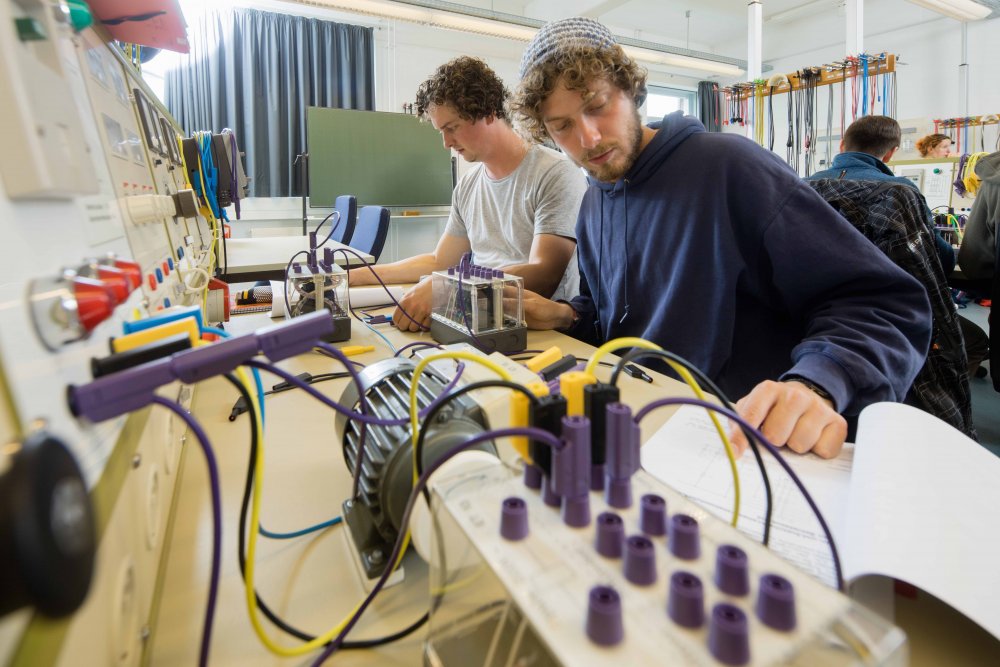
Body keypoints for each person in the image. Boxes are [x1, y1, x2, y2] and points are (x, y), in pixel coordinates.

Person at [512, 17, 932, 459]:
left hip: (741, 441)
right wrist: (561, 315)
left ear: (631, 91)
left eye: (597, 105)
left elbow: (881, 303)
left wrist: (818, 382)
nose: (588, 138)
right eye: (561, 126)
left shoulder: (730, 168)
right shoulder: (593, 202)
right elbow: (608, 316)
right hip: (640, 425)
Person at [347, 56, 586, 331]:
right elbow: (440, 260)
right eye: (441, 131)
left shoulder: (555, 173)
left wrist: (449, 288)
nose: (446, 142)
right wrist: (359, 276)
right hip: (474, 314)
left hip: (533, 328)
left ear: (488, 112)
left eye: (452, 128)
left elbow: (543, 274)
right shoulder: (468, 185)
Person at [809, 115, 989, 382]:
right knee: (975, 341)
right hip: (883, 313)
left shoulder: (804, 185)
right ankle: (924, 401)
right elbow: (939, 259)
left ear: (842, 145)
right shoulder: (900, 191)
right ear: (891, 153)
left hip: (815, 307)